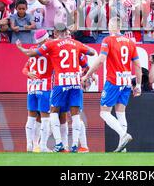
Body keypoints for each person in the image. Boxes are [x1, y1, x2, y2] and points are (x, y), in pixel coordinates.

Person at [17, 23, 96, 153]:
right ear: (66, 32)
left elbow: (31, 54)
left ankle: (57, 144)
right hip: (75, 83)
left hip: (58, 84)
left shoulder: (50, 45)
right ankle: (75, 145)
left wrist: (20, 48)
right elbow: (91, 53)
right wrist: (81, 47)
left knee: (52, 113)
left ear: (54, 33)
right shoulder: (75, 43)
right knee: (75, 115)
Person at [81, 17, 142, 152]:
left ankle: (123, 135)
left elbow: (101, 60)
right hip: (126, 81)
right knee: (121, 113)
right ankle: (123, 147)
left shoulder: (108, 40)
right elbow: (137, 65)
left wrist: (87, 75)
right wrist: (138, 84)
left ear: (112, 26)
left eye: (109, 24)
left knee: (104, 113)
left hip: (113, 81)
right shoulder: (130, 42)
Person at [17, 29, 54, 152]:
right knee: (45, 119)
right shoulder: (49, 50)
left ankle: (29, 145)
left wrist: (28, 73)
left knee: (31, 118)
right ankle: (42, 146)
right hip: (44, 87)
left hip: (32, 88)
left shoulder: (32, 50)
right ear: (45, 38)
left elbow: (24, 69)